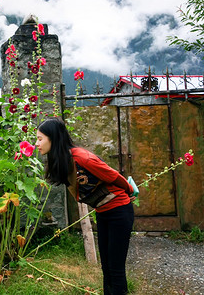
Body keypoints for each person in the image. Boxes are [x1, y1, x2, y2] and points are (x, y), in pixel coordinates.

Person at [35, 117, 135, 295]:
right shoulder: (63, 160)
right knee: (106, 266)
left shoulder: (82, 158)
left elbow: (112, 176)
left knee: (115, 267)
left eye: (40, 139)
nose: (37, 143)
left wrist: (129, 190)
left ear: (54, 139)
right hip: (104, 212)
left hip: (119, 211)